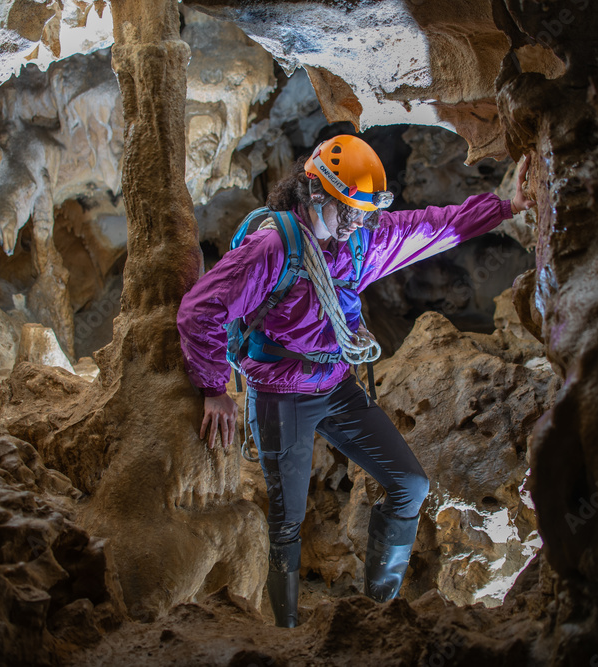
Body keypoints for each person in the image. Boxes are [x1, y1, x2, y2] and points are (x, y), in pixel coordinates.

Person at [177, 134, 532, 627]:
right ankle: (287, 634)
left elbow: (434, 226)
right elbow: (201, 310)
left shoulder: (360, 238)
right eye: (350, 212)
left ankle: (376, 612)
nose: (357, 224)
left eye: (364, 214)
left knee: (409, 483)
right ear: (315, 194)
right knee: (286, 525)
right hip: (282, 393)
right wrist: (213, 388)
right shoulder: (275, 247)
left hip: (337, 384)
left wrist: (505, 206)